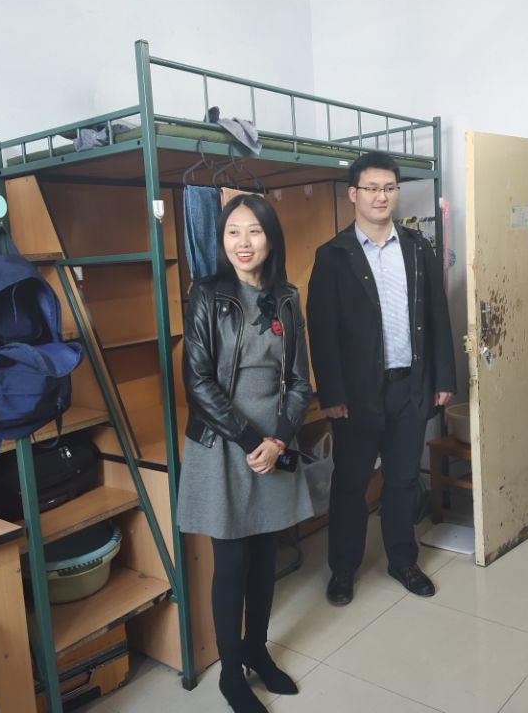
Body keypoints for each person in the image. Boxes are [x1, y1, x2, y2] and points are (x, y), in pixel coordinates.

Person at [176, 194, 314, 713]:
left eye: (254, 231)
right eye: (232, 231)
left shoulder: (287, 297)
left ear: (271, 239)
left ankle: (258, 650)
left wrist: (278, 439)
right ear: (222, 239)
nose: (242, 242)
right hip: (223, 443)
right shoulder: (207, 294)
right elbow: (198, 381)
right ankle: (231, 673)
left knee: (264, 557)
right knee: (232, 562)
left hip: (273, 441)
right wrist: (252, 441)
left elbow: (300, 381)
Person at [307, 151, 456, 606]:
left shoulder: (418, 249)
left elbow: (437, 315)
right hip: (355, 395)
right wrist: (331, 393)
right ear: (353, 194)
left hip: (409, 386)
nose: (381, 196)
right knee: (351, 484)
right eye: (371, 188)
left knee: (403, 479)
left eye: (389, 187)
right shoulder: (332, 256)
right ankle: (343, 568)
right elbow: (322, 331)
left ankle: (402, 561)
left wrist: (443, 377)